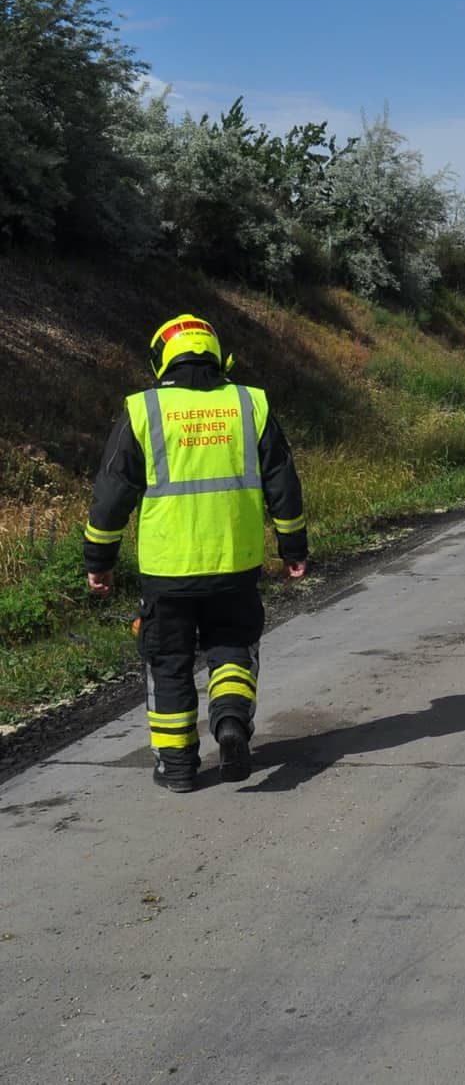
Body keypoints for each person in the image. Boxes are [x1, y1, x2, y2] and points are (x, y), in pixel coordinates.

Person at [83, 315, 309, 792]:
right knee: (231, 647)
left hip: (167, 571)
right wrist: (293, 547)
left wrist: (98, 561)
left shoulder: (144, 410)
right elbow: (282, 484)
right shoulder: (250, 404)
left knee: (168, 662)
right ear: (218, 355)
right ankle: (229, 721)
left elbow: (111, 496)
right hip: (235, 563)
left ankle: (179, 768)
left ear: (160, 360)